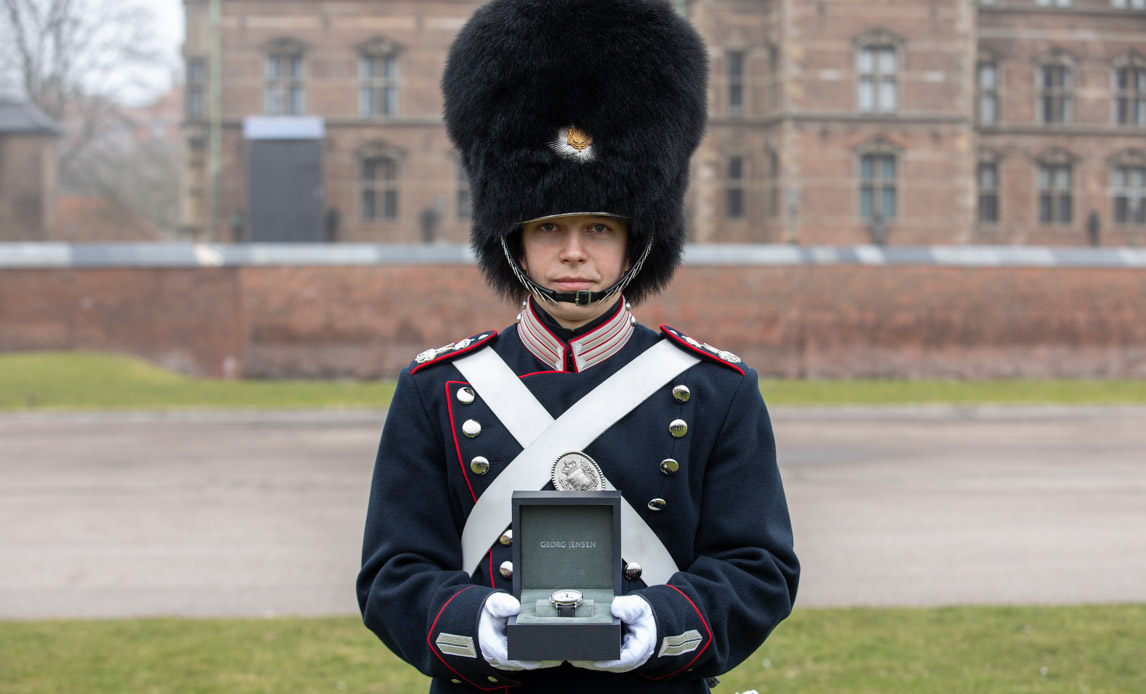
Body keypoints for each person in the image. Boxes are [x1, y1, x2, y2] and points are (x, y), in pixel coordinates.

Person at [356, 0, 799, 691]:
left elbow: (758, 567)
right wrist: (473, 623)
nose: (572, 253)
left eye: (598, 229)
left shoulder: (718, 389)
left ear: (636, 238)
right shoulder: (435, 389)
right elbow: (393, 571)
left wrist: (666, 622)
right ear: (513, 238)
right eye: (547, 228)